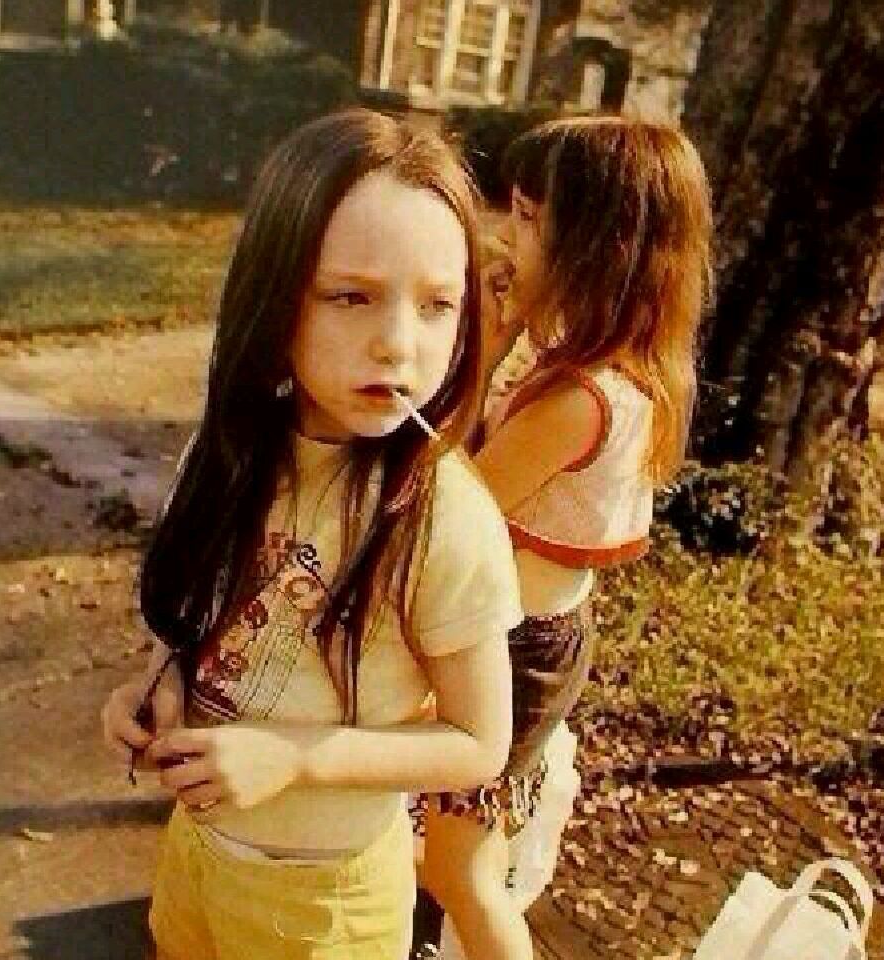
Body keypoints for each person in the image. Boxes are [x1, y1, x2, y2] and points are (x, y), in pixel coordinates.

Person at [100, 108, 524, 960]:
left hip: (326, 910)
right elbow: (202, 620)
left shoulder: (443, 517)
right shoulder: (224, 457)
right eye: (350, 296)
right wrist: (157, 688)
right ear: (273, 294)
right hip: (197, 861)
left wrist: (295, 757)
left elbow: (479, 744)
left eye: (437, 305)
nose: (398, 344)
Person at [412, 116, 713, 960]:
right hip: (529, 634)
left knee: (461, 871)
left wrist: (488, 342)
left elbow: (444, 505)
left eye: (526, 218)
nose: (505, 236)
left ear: (591, 246)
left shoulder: (580, 400)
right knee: (459, 853)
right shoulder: (612, 369)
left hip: (511, 651)